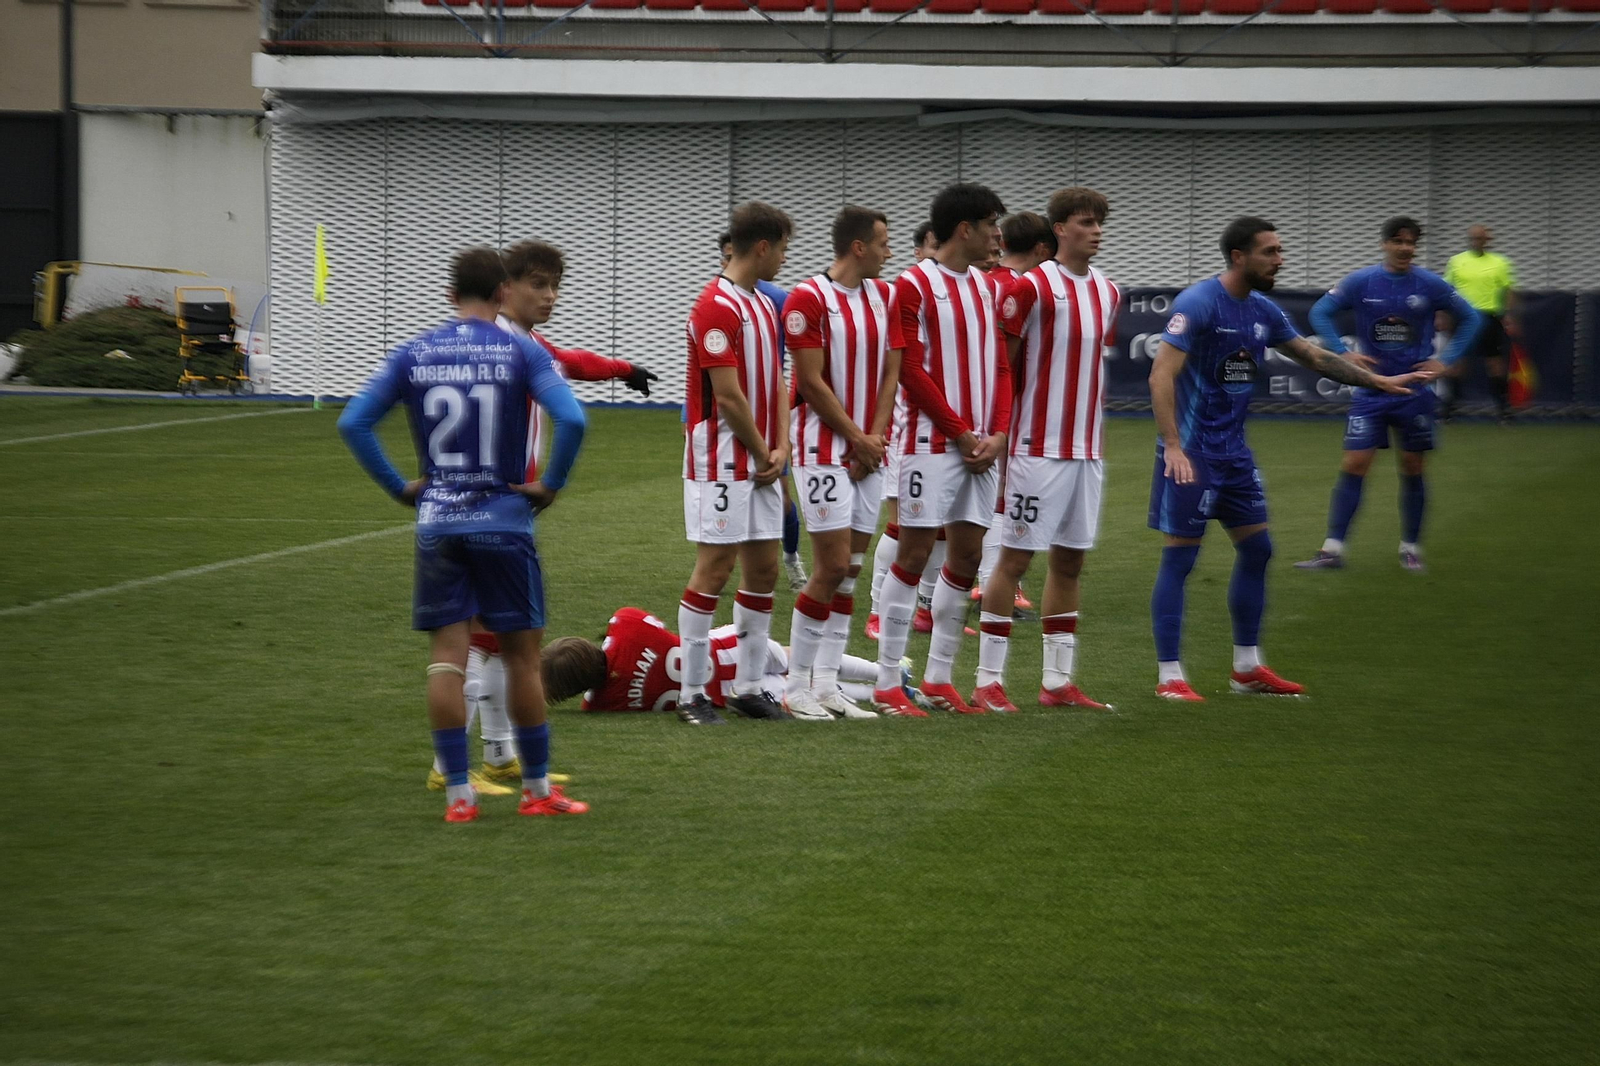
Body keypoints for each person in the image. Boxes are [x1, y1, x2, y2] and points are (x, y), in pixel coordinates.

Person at [337, 246, 589, 821]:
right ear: (503, 293)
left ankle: (457, 795)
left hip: (439, 520)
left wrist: (401, 487)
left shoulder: (413, 352)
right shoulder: (521, 351)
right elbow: (573, 418)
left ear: (451, 297)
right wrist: (549, 484)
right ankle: (537, 790)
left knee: (447, 658)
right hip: (502, 517)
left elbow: (353, 421)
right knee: (522, 658)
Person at [1147, 217, 1427, 702]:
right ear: (1239, 256)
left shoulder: (1262, 309)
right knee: (1181, 558)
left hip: (1235, 455)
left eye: (1280, 250)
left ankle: (1247, 669)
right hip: (1191, 454)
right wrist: (1172, 446)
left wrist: (1380, 383)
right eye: (1271, 251)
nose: (1281, 259)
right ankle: (1170, 676)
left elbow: (1315, 358)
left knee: (1259, 551)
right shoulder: (1199, 302)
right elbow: (1160, 375)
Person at [974, 188, 1120, 714]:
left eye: (1100, 223)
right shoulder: (1031, 287)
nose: (1097, 230)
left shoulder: (1108, 290)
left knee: (1070, 564)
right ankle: (988, 680)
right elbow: (1001, 364)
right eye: (1086, 222)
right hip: (1035, 448)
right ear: (1059, 229)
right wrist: (997, 432)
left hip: (1088, 451)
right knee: (1013, 560)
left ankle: (1057, 683)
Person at [871, 182, 1012, 716]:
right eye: (992, 223)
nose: (999, 234)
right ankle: (887, 683)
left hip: (980, 446)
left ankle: (938, 679)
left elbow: (1001, 365)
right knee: (913, 555)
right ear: (965, 229)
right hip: (930, 446)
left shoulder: (986, 286)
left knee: (968, 557)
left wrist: (997, 432)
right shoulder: (912, 285)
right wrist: (959, 432)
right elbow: (908, 368)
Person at [1296, 217, 1482, 574]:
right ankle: (1332, 550)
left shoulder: (1429, 284)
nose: (1405, 248)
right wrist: (1340, 352)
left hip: (1414, 392)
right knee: (1354, 464)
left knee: (1412, 467)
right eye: (1398, 241)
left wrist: (1445, 361)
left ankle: (1410, 548)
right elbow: (1321, 312)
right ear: (1385, 244)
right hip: (1371, 389)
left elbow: (1471, 318)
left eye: (1411, 243)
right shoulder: (1362, 281)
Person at [781, 205, 903, 720]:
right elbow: (809, 382)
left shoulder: (885, 296)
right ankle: (795, 687)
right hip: (821, 451)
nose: (888, 251)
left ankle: (829, 684)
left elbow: (891, 374)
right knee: (830, 566)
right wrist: (856, 439)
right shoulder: (808, 299)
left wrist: (872, 439)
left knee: (849, 572)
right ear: (858, 247)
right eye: (882, 242)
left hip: (868, 451)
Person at [677, 203, 793, 726]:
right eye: (784, 248)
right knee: (715, 568)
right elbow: (726, 396)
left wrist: (782, 447)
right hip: (722, 459)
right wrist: (763, 448)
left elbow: (777, 384)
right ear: (763, 247)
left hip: (765, 459)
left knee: (764, 568)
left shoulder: (764, 306)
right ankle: (691, 695)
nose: (785, 260)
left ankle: (749, 688)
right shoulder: (714, 307)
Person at [539, 607, 921, 717]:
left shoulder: (601, 704)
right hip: (728, 648)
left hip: (723, 692)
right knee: (796, 659)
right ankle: (888, 674)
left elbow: (602, 688)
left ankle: (876, 693)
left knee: (798, 690)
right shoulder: (625, 625)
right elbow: (646, 624)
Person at [975, 210, 1058, 614]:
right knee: (1004, 497)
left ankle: (964, 584)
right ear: (1043, 248)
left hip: (972, 401)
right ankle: (995, 584)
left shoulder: (982, 282)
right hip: (1012, 405)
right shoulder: (1024, 288)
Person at [716, 231, 808, 592]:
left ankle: (791, 558)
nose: (727, 261)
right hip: (725, 428)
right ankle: (719, 565)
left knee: (782, 500)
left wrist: (783, 431)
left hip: (769, 420)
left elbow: (790, 363)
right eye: (723, 256)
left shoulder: (775, 300)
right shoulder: (716, 301)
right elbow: (707, 378)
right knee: (728, 503)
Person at [866, 219, 938, 641]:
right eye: (930, 247)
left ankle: (927, 608)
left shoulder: (966, 293)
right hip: (906, 426)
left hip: (946, 430)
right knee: (901, 524)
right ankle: (878, 611)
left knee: (940, 527)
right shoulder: (900, 293)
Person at [1442, 224, 1518, 423]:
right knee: (1457, 363)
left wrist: (1507, 314)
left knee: (1495, 363)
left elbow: (1507, 291)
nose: (1477, 242)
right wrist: (1444, 315)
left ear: (1487, 240)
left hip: (1489, 317)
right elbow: (1447, 289)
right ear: (1469, 240)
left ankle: (1503, 411)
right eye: (1473, 238)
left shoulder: (1500, 262)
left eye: (1480, 238)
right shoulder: (1457, 261)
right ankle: (1448, 411)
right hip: (1463, 317)